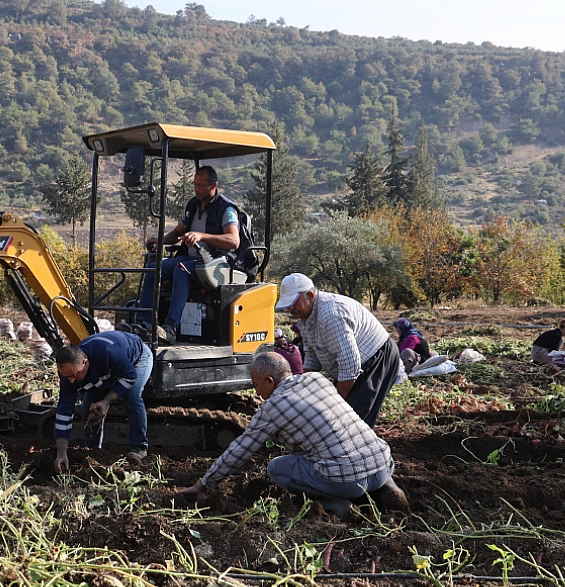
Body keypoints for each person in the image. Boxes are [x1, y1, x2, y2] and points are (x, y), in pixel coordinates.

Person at [177, 353, 408, 517]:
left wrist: (204, 485)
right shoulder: (317, 379)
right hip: (383, 464)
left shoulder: (273, 407)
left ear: (269, 381)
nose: (257, 392)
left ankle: (335, 504)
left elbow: (240, 450)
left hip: (347, 482)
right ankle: (387, 488)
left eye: (256, 385)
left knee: (276, 468)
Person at [137, 166, 251, 344]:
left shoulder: (226, 209)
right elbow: (177, 233)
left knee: (182, 269)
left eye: (201, 185)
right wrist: (161, 240)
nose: (196, 189)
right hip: (191, 259)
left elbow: (233, 241)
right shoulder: (193, 205)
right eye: (195, 184)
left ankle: (170, 328)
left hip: (217, 262)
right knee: (154, 269)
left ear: (213, 185)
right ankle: (144, 323)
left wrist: (201, 236)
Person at [275, 273, 399, 428]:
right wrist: (302, 389)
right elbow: (312, 356)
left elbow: (350, 367)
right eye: (288, 304)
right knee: (336, 420)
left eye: (294, 302)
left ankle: (360, 442)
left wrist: (335, 405)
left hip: (375, 358)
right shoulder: (305, 318)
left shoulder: (331, 315)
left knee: (351, 422)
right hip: (354, 365)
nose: (290, 308)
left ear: (310, 295)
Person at [53, 330, 155, 472]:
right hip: (103, 371)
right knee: (88, 408)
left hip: (137, 359)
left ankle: (139, 447)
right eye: (67, 376)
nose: (70, 380)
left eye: (74, 375)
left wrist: (106, 401)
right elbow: (65, 409)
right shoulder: (69, 372)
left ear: (85, 363)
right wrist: (61, 452)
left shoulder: (109, 352)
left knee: (132, 396)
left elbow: (130, 376)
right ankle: (92, 450)